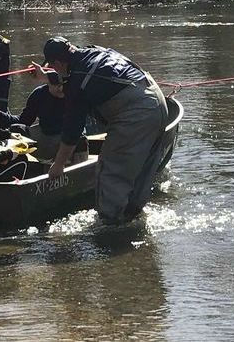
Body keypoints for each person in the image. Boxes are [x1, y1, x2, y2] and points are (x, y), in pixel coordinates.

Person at [36, 37, 168, 224]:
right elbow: (79, 79)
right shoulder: (91, 52)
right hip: (156, 100)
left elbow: (72, 130)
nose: (54, 70)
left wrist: (58, 165)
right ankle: (133, 218)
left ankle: (109, 227)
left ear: (58, 62)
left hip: (136, 114)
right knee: (141, 172)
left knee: (109, 170)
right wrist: (46, 76)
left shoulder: (79, 82)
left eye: (53, 67)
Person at [0, 73, 89, 161]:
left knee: (80, 139)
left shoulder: (74, 94)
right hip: (43, 139)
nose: (60, 89)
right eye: (56, 85)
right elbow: (23, 121)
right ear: (47, 82)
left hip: (66, 139)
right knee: (16, 130)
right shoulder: (39, 94)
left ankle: (78, 171)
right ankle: (19, 166)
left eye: (63, 85)